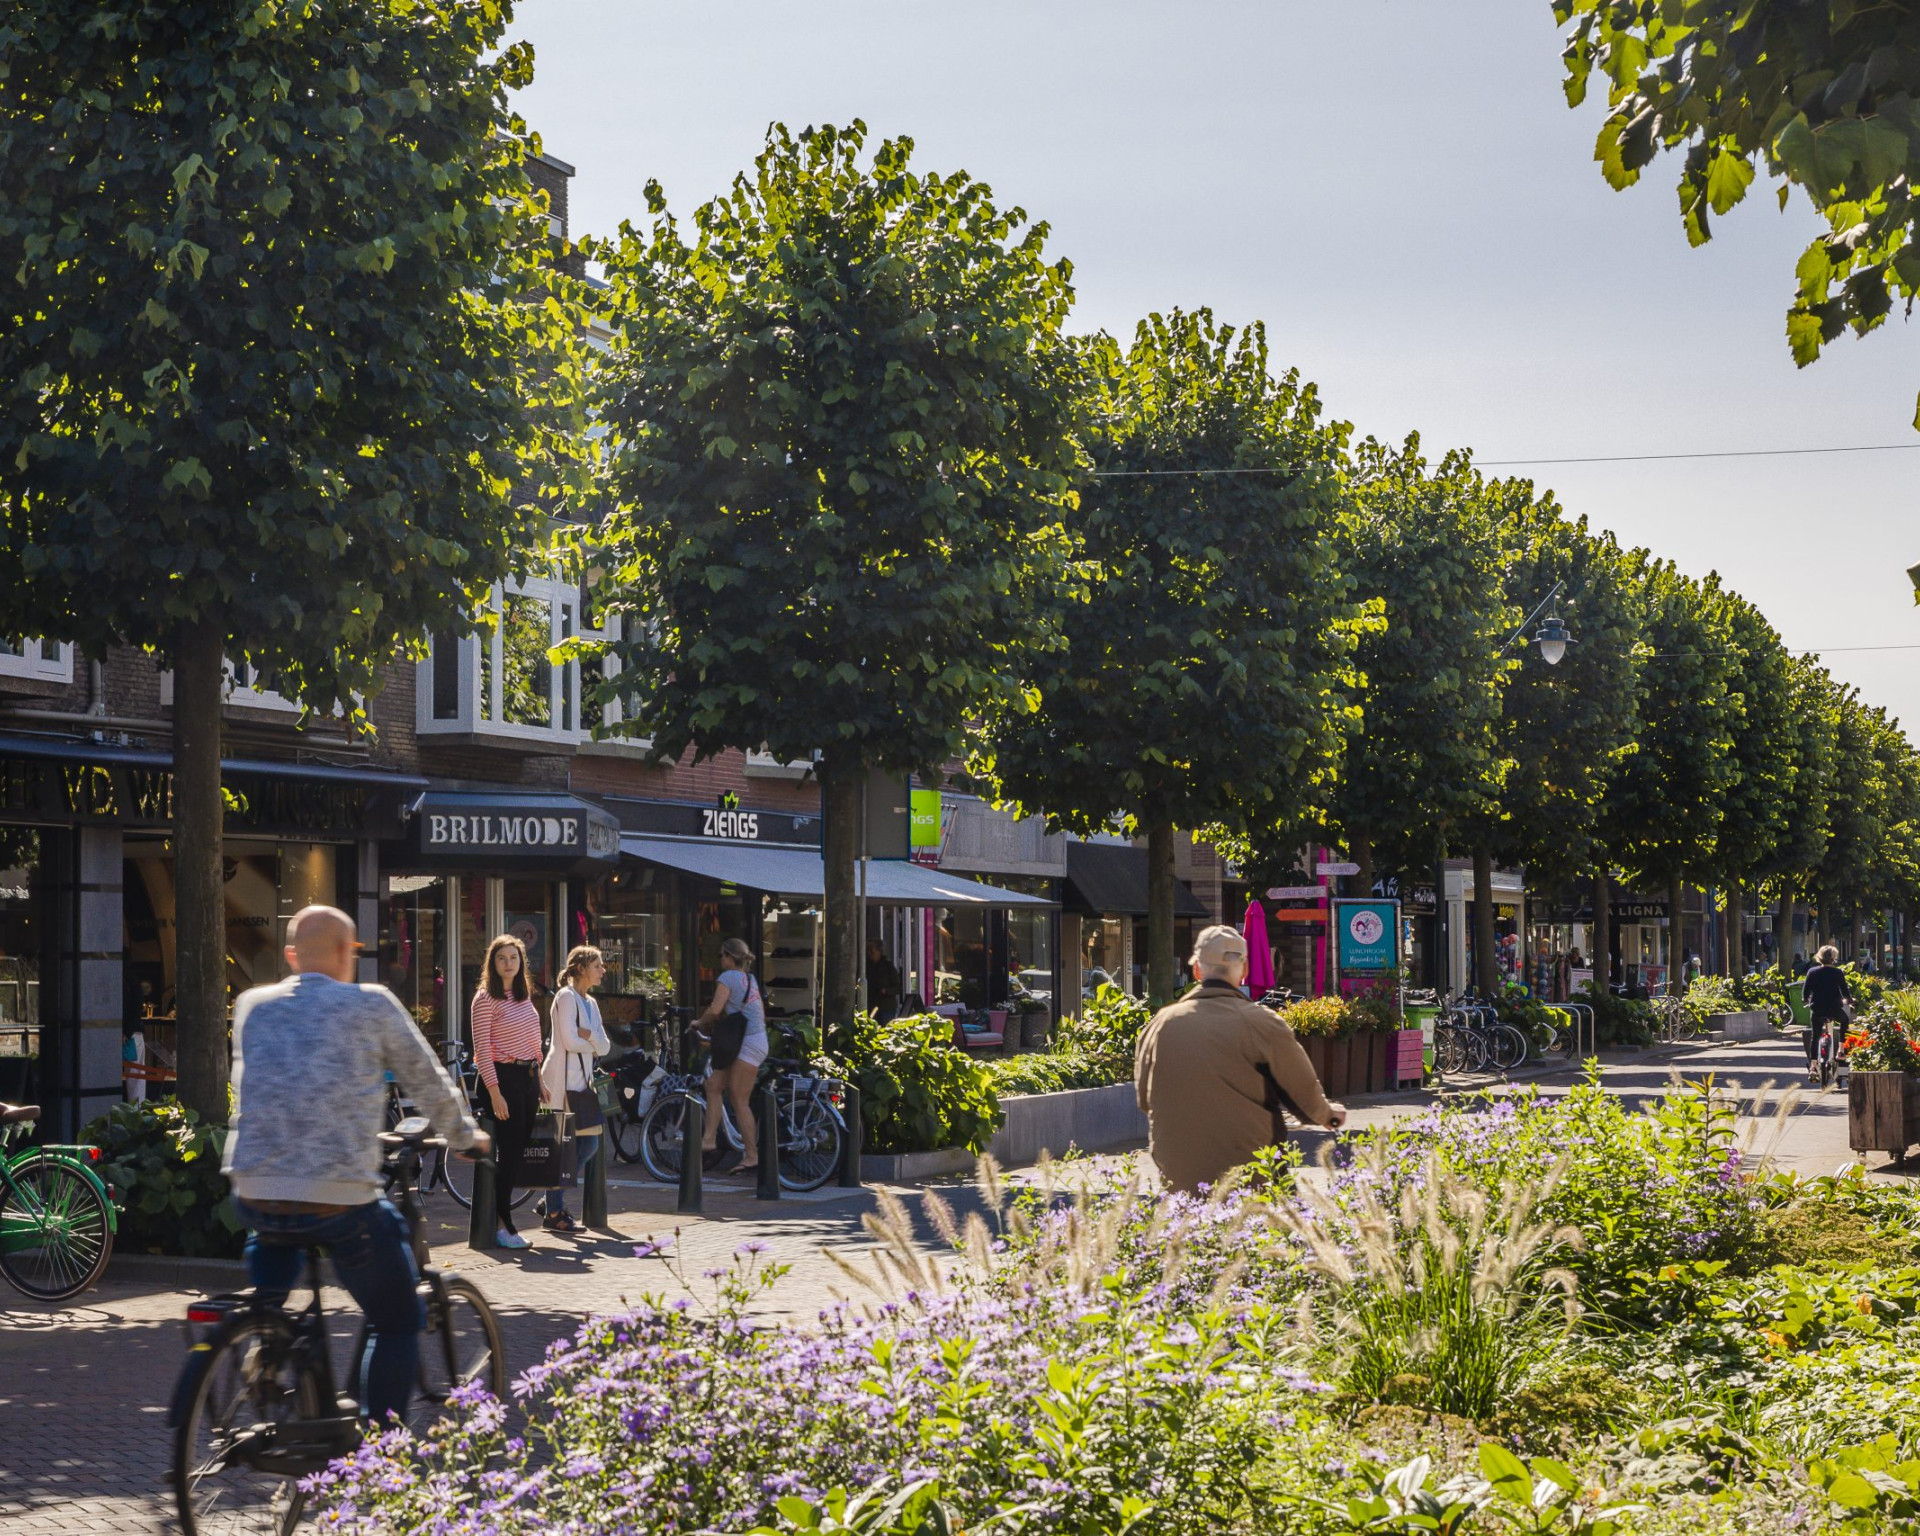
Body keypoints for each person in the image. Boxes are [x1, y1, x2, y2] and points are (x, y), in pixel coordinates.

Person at [223, 905, 487, 1425]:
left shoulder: (253, 1004)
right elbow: (426, 1079)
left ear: (291, 956)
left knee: (273, 1259)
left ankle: (268, 1347)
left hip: (255, 1186)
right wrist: (465, 1136)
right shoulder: (372, 1005)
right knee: (397, 1318)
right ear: (348, 953)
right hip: (337, 1196)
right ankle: (376, 1460)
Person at [1133, 925, 1346, 1194]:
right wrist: (1329, 1115)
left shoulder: (1160, 1025)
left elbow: (1143, 1100)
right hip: (1252, 1181)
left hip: (1179, 1182)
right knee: (1289, 1224)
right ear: (1244, 971)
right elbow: (1303, 1097)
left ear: (1197, 970)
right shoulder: (1264, 1024)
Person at [470, 934, 543, 1249]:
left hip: (526, 1077)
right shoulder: (485, 998)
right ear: (492, 963)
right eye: (502, 958)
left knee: (517, 1151)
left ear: (521, 962)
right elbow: (482, 1049)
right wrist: (494, 1092)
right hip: (500, 1079)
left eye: (514, 958)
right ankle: (503, 1226)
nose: (508, 963)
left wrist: (540, 1077)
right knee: (510, 1152)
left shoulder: (523, 995)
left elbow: (532, 1036)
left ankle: (501, 1219)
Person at [539, 945, 612, 1233]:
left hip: (582, 1085)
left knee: (589, 1144)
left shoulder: (591, 1004)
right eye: (598, 965)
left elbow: (605, 1046)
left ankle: (551, 1199)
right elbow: (569, 1042)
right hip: (560, 1083)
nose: (603, 970)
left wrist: (591, 1036)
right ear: (580, 968)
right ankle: (554, 1211)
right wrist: (591, 1043)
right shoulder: (565, 997)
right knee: (565, 1149)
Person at [697, 937, 767, 1171]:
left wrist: (697, 1023)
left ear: (729, 956)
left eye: (721, 955)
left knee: (739, 1099)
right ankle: (708, 1140)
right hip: (753, 1040)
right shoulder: (750, 978)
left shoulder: (727, 977)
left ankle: (752, 1155)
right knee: (714, 1085)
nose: (720, 960)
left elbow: (715, 1009)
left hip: (746, 1043)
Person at [1801, 943, 1850, 1080]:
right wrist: (1850, 1000)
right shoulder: (1838, 972)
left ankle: (1813, 1066)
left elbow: (1805, 992)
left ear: (1819, 957)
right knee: (1845, 1021)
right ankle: (1841, 1050)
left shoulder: (1812, 972)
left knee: (1815, 1036)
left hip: (1817, 1008)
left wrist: (1805, 999)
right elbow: (1845, 992)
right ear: (1833, 958)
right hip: (1834, 1008)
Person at [867, 939, 901, 1022]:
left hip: (886, 1007)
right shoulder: (866, 966)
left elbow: (898, 987)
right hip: (871, 1005)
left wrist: (885, 991)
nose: (869, 954)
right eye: (868, 951)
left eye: (872, 951)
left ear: (879, 952)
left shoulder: (887, 966)